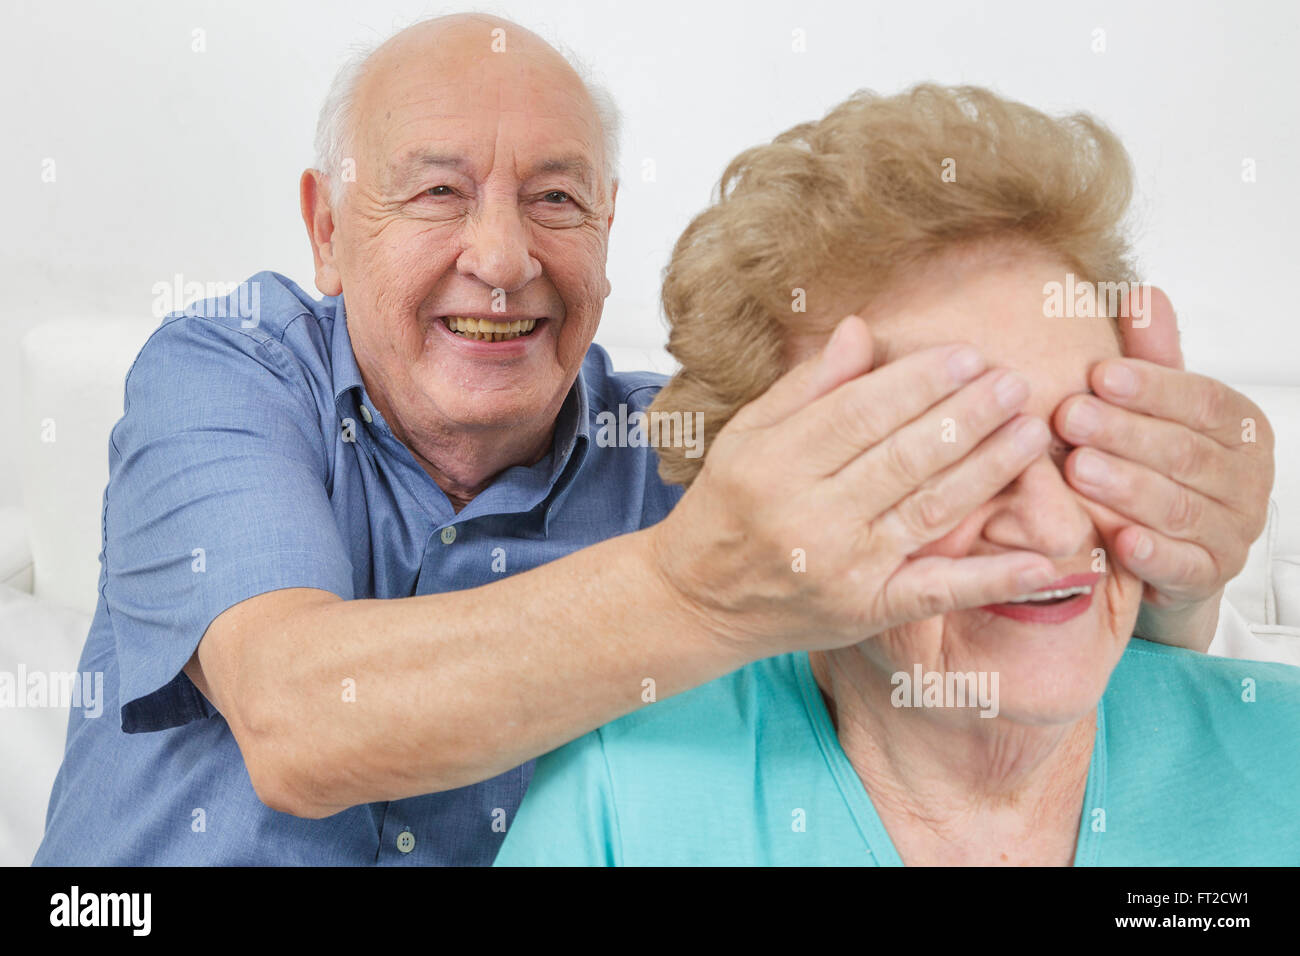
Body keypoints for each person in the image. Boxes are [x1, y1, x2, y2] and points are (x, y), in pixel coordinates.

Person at [34, 13, 1276, 865]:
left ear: (610, 227)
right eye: (435, 191)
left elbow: (965, 641)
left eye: (559, 198)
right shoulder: (224, 371)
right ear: (323, 224)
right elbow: (301, 723)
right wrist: (708, 581)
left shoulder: (679, 447)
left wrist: (1168, 563)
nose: (505, 257)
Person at [494, 84, 1300, 865]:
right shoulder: (621, 807)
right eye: (950, 454)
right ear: (760, 501)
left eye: (1080, 437)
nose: (1056, 528)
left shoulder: (1280, 754)